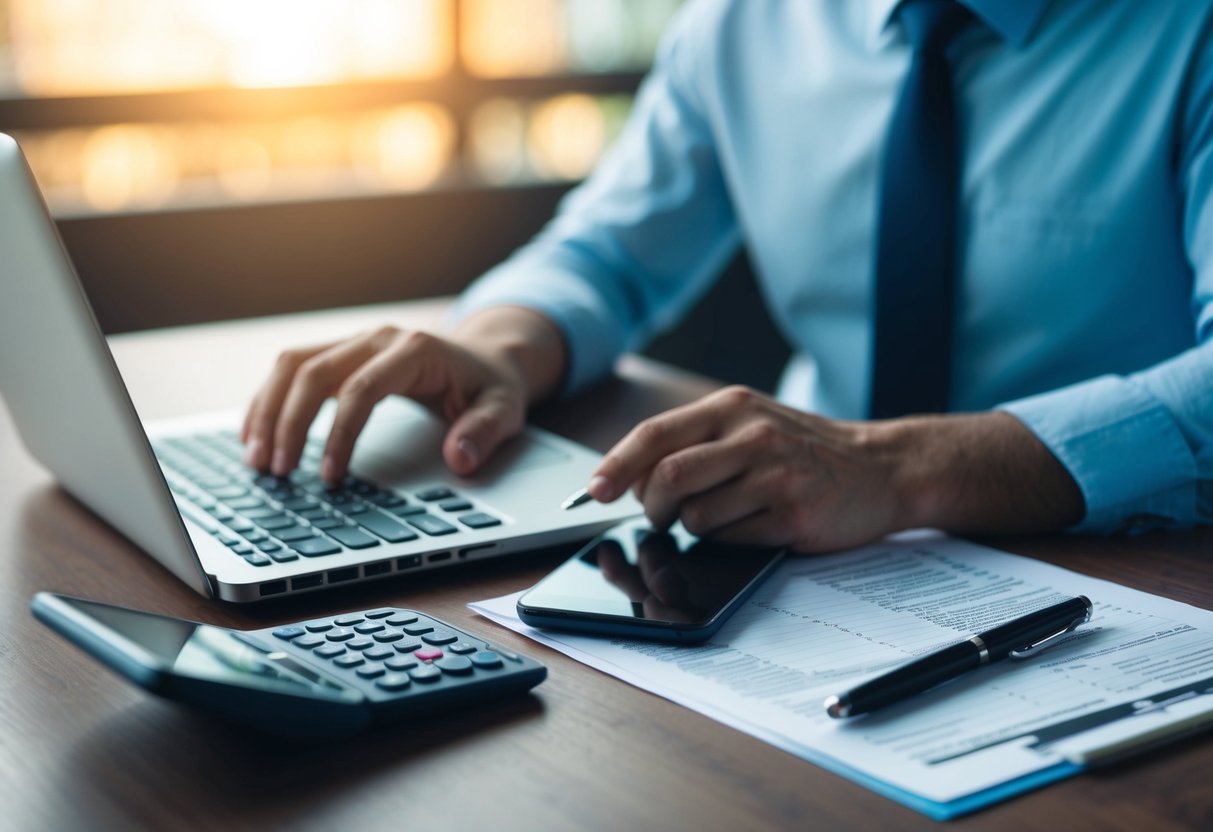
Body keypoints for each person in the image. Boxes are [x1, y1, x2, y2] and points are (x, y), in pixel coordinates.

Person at [241, 0, 1213, 553]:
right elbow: (608, 250)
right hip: (796, 550)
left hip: (1123, 565)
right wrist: (492, 345)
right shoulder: (745, 23)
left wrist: (893, 466)